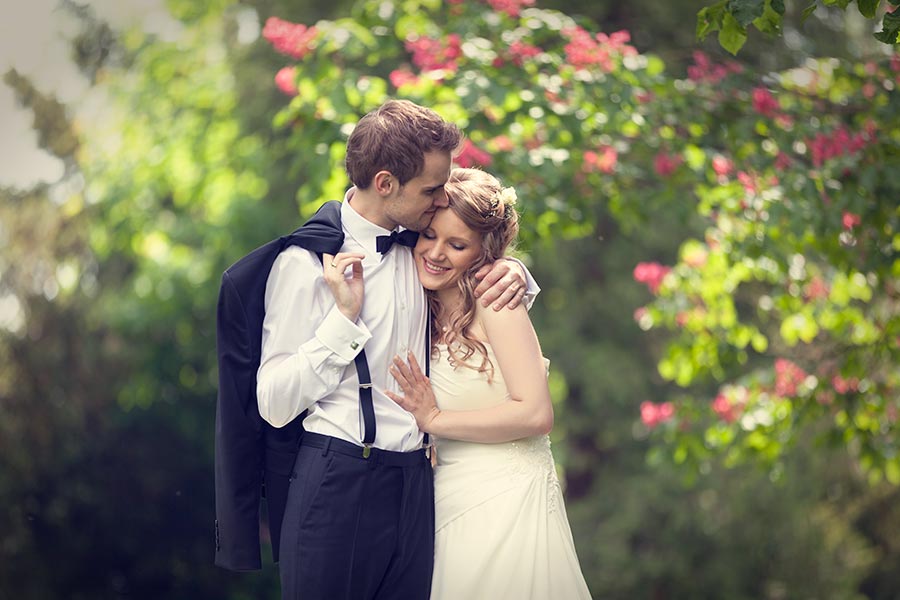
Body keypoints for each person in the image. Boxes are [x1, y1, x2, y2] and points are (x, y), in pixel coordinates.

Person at [255, 100, 538, 600]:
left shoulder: (419, 246)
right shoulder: (305, 263)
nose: (440, 200)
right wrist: (342, 322)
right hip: (338, 480)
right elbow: (273, 404)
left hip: (418, 490)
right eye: (432, 190)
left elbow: (473, 265)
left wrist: (515, 272)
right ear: (386, 184)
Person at [385, 168, 592, 600]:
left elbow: (536, 414)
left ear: (484, 253)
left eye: (457, 245)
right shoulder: (413, 299)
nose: (436, 253)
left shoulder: (496, 303)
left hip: (507, 500)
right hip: (443, 502)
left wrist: (435, 419)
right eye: (429, 236)